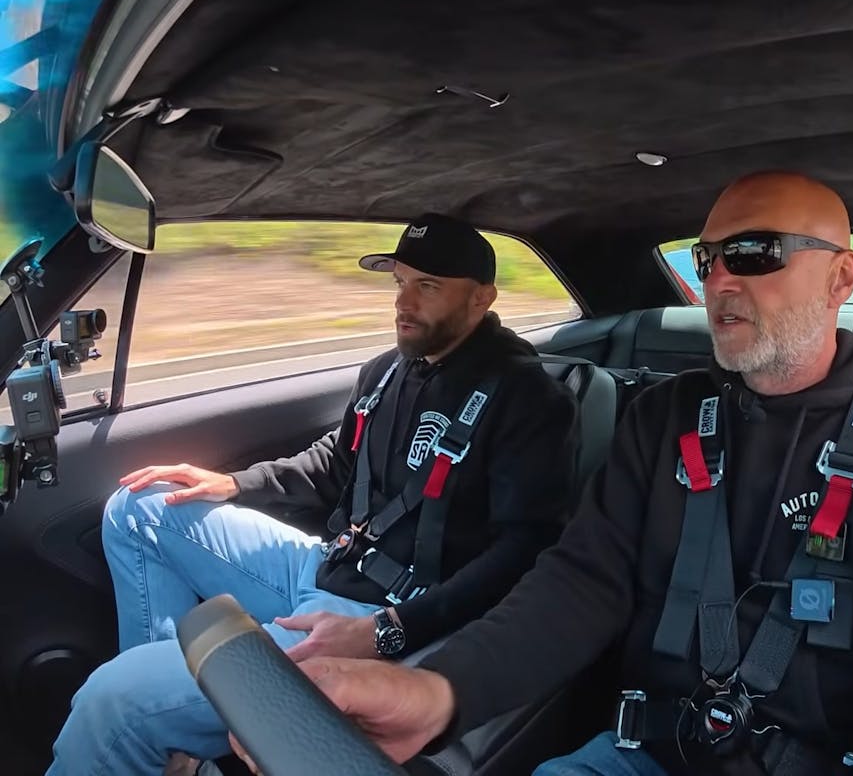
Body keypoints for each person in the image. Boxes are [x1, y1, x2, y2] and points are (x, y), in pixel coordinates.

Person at [234, 173, 853, 775]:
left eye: (753, 253)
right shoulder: (667, 422)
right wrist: (439, 691)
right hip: (644, 758)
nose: (720, 280)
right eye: (708, 259)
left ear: (841, 276)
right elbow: (578, 584)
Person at [47, 213, 581, 775]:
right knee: (140, 506)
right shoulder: (386, 372)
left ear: (481, 299)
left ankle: (147, 719)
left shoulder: (529, 400)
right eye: (400, 281)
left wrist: (384, 632)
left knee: (113, 700)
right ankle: (169, 742)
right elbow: (335, 465)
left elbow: (522, 554)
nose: (403, 302)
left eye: (427, 286)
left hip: (390, 610)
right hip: (325, 563)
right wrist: (233, 483)